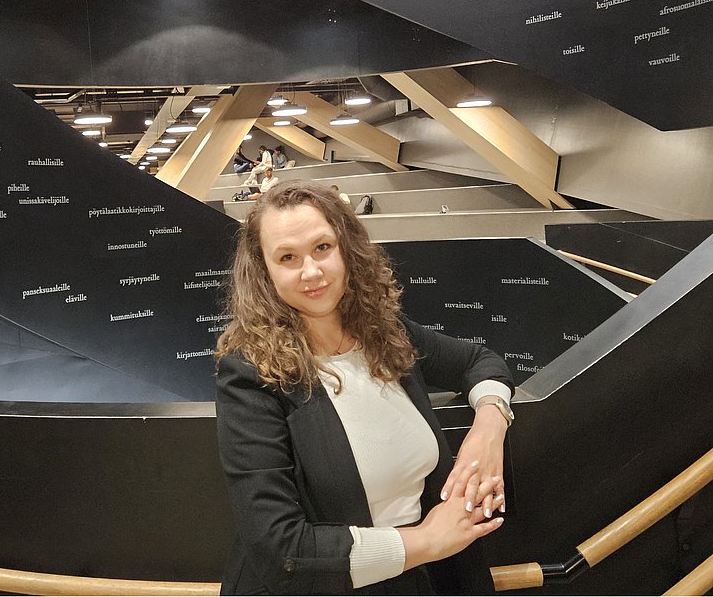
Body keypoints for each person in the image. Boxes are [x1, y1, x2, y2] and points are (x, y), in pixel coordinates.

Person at [215, 181, 514, 595]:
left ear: (346, 249)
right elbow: (280, 547)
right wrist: (424, 542)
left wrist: (488, 429)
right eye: (288, 257)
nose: (311, 272)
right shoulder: (249, 377)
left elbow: (479, 361)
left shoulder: (385, 333)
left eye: (322, 247)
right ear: (264, 272)